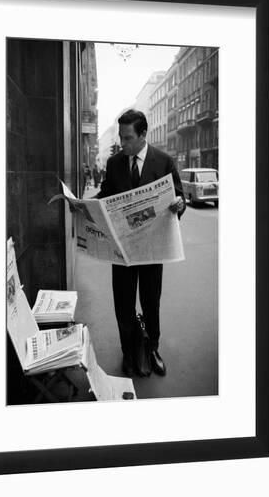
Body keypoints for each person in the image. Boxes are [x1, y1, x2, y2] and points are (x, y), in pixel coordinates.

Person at [96, 109, 186, 377]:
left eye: (127, 138)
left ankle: (152, 348)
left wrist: (179, 205)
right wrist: (87, 206)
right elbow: (105, 194)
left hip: (152, 248)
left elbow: (179, 196)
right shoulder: (114, 164)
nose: (122, 144)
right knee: (123, 304)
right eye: (121, 138)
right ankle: (128, 353)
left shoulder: (164, 161)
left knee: (150, 302)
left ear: (143, 135)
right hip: (122, 250)